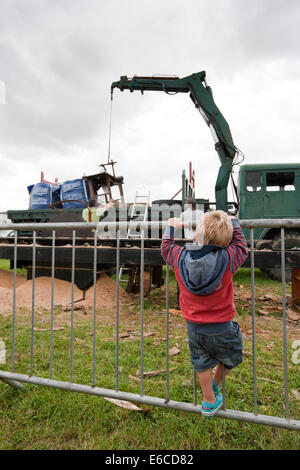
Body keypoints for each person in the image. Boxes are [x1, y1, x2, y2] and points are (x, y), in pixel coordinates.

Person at [160, 210, 248, 417]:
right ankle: (215, 387)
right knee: (231, 358)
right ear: (227, 240)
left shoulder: (179, 258)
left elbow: (166, 247)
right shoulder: (229, 258)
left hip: (194, 327)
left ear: (196, 236)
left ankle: (209, 399)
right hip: (223, 327)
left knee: (201, 362)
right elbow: (242, 245)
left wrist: (171, 225)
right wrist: (233, 221)